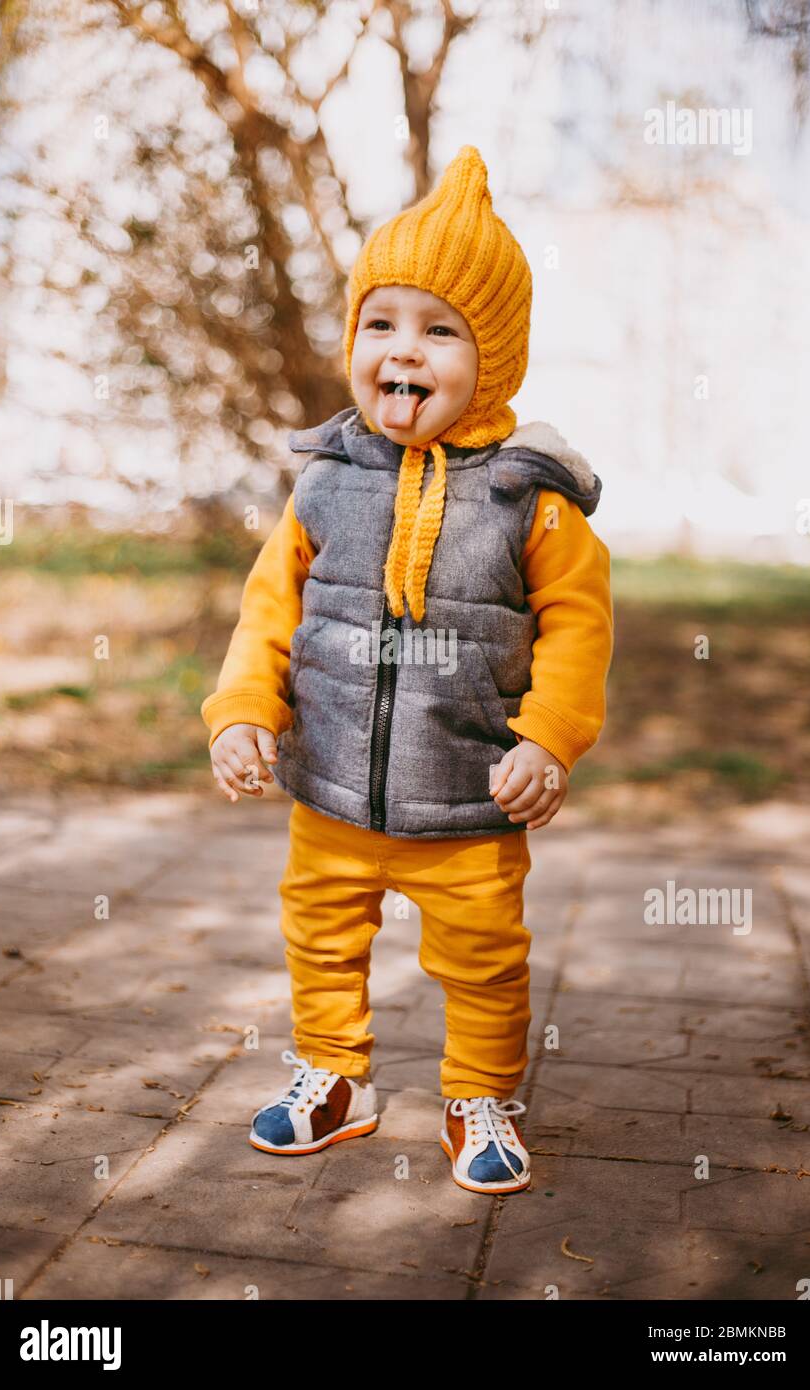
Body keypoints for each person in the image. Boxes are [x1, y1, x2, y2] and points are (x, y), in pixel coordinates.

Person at [200, 145, 613, 1194]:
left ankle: (479, 1096)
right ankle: (334, 1076)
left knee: (482, 956)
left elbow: (577, 627)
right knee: (320, 936)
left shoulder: (530, 496)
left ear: (494, 358)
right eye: (380, 323)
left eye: (439, 330)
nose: (402, 350)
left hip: (469, 792)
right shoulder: (325, 482)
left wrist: (547, 738)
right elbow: (269, 608)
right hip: (330, 783)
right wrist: (243, 710)